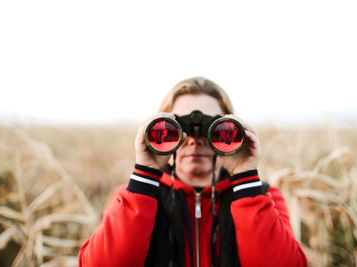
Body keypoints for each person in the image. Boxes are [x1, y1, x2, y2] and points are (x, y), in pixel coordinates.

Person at [78, 77, 308, 267]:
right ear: (159, 128)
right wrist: (144, 176)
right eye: (177, 129)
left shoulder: (262, 197)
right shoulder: (135, 198)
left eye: (213, 130)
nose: (195, 140)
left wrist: (245, 177)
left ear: (232, 128)